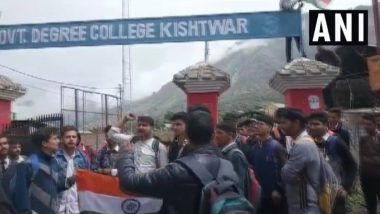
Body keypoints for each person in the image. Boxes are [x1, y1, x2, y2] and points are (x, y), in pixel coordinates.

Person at [116, 110, 241, 214]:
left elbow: (129, 183)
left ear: (187, 135)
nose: (141, 127)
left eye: (178, 124)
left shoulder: (179, 170)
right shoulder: (225, 163)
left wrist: (126, 155)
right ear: (213, 134)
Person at [12, 127, 74, 214]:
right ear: (44, 143)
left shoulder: (54, 162)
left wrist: (72, 179)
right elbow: (20, 195)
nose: (58, 141)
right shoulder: (29, 164)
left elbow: (55, 186)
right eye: (55, 138)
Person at [307, 112, 357, 214]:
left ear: (326, 125)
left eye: (316, 124)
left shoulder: (335, 142)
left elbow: (352, 165)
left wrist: (346, 188)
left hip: (335, 194)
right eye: (310, 124)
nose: (312, 127)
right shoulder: (307, 144)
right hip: (315, 194)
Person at [279, 108, 321, 214]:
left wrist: (285, 164)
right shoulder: (300, 141)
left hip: (304, 204)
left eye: (284, 122)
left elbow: (287, 174)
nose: (280, 126)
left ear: (296, 123)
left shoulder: (302, 145)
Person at [247, 114, 288, 214]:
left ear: (269, 127)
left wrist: (279, 190)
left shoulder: (276, 147)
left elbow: (285, 170)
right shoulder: (255, 148)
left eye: (261, 124)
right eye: (256, 124)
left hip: (275, 195)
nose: (257, 126)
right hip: (260, 194)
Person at [56, 126, 91, 214]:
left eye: (74, 137)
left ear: (78, 139)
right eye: (67, 137)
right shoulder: (55, 158)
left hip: (76, 207)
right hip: (58, 206)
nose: (71, 139)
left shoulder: (83, 158)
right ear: (61, 139)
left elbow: (88, 179)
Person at [214, 121, 250, 199]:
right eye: (215, 133)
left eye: (219, 133)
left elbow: (239, 184)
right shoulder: (223, 152)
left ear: (231, 135)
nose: (216, 136)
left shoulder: (235, 155)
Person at [359, 114, 380, 214]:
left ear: (375, 124)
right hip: (366, 176)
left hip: (378, 176)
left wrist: (371, 158)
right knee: (370, 203)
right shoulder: (363, 138)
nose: (366, 126)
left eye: (369, 124)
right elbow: (362, 157)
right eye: (364, 124)